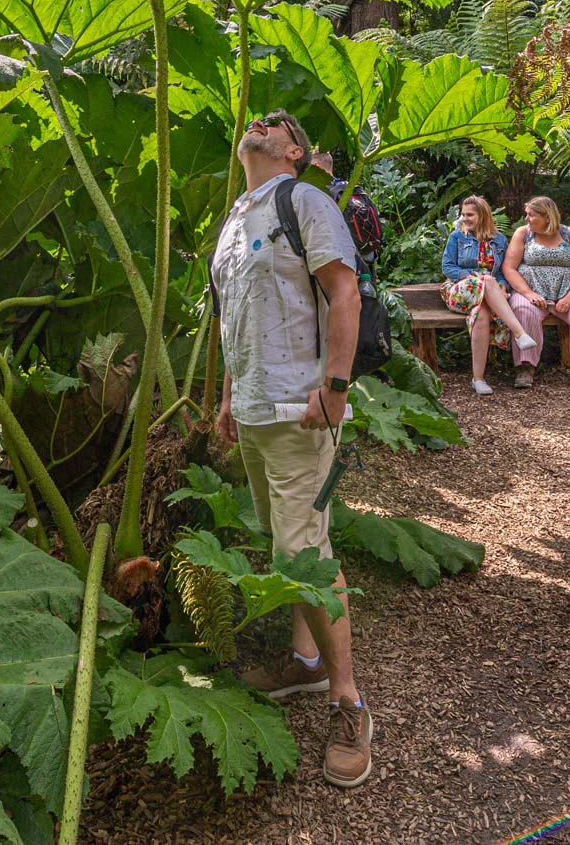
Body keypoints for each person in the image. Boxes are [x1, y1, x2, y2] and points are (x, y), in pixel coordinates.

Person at [212, 109, 374, 788]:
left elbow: (343, 290)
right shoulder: (231, 224)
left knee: (305, 554)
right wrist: (226, 398)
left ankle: (351, 704)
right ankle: (305, 662)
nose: (260, 122)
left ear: (295, 149)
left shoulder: (302, 198)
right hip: (253, 410)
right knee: (289, 542)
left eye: (275, 122)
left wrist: (335, 385)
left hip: (301, 409)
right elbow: (232, 319)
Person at [499, 195, 570, 390]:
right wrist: (528, 293)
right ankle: (525, 366)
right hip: (531, 295)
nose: (526, 219)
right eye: (526, 215)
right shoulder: (523, 234)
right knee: (523, 311)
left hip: (568, 294)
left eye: (531, 215)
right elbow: (509, 268)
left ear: (547, 216)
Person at [438, 196, 516, 395]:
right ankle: (519, 332)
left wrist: (503, 286)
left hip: (487, 296)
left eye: (469, 214)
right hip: (459, 290)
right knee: (487, 281)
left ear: (483, 215)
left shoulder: (499, 240)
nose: (465, 218)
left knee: (481, 315)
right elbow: (447, 267)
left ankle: (478, 379)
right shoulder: (457, 237)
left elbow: (502, 272)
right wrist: (473, 277)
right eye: (463, 214)